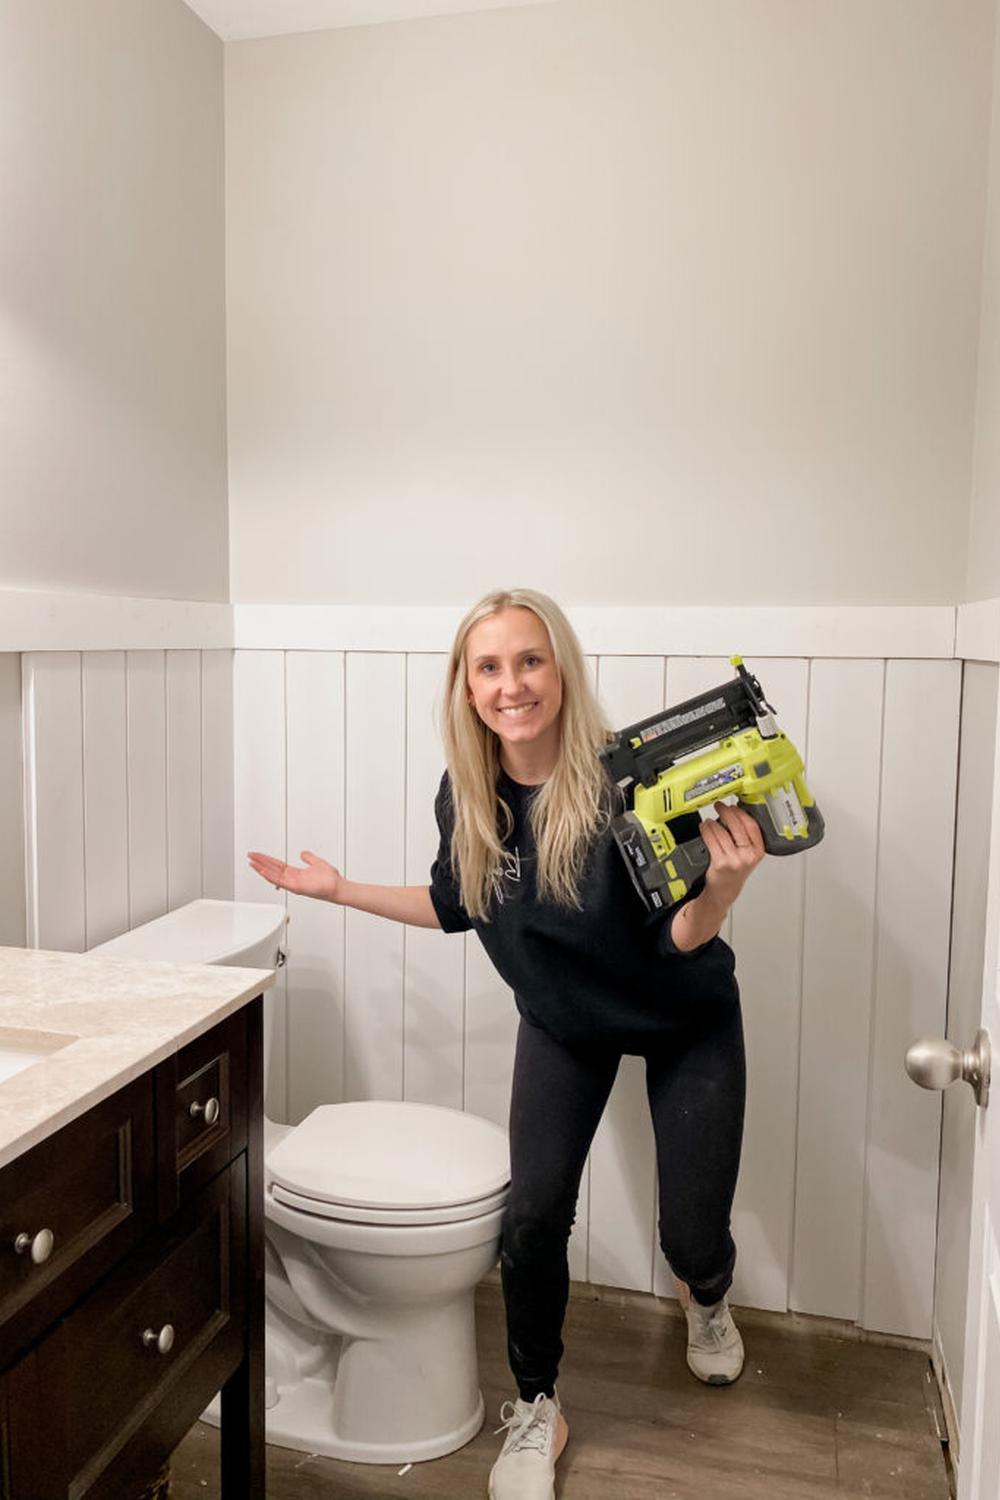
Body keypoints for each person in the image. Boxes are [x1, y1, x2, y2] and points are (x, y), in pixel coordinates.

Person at [247, 587, 765, 1500]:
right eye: (489, 666)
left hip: (682, 1011)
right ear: (467, 686)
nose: (510, 683)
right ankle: (538, 1408)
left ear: (559, 670)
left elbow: (674, 936)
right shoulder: (469, 793)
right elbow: (455, 903)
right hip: (565, 1022)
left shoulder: (626, 782)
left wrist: (719, 895)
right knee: (530, 1219)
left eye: (529, 660)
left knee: (692, 1234)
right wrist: (339, 891)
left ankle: (705, 1295)